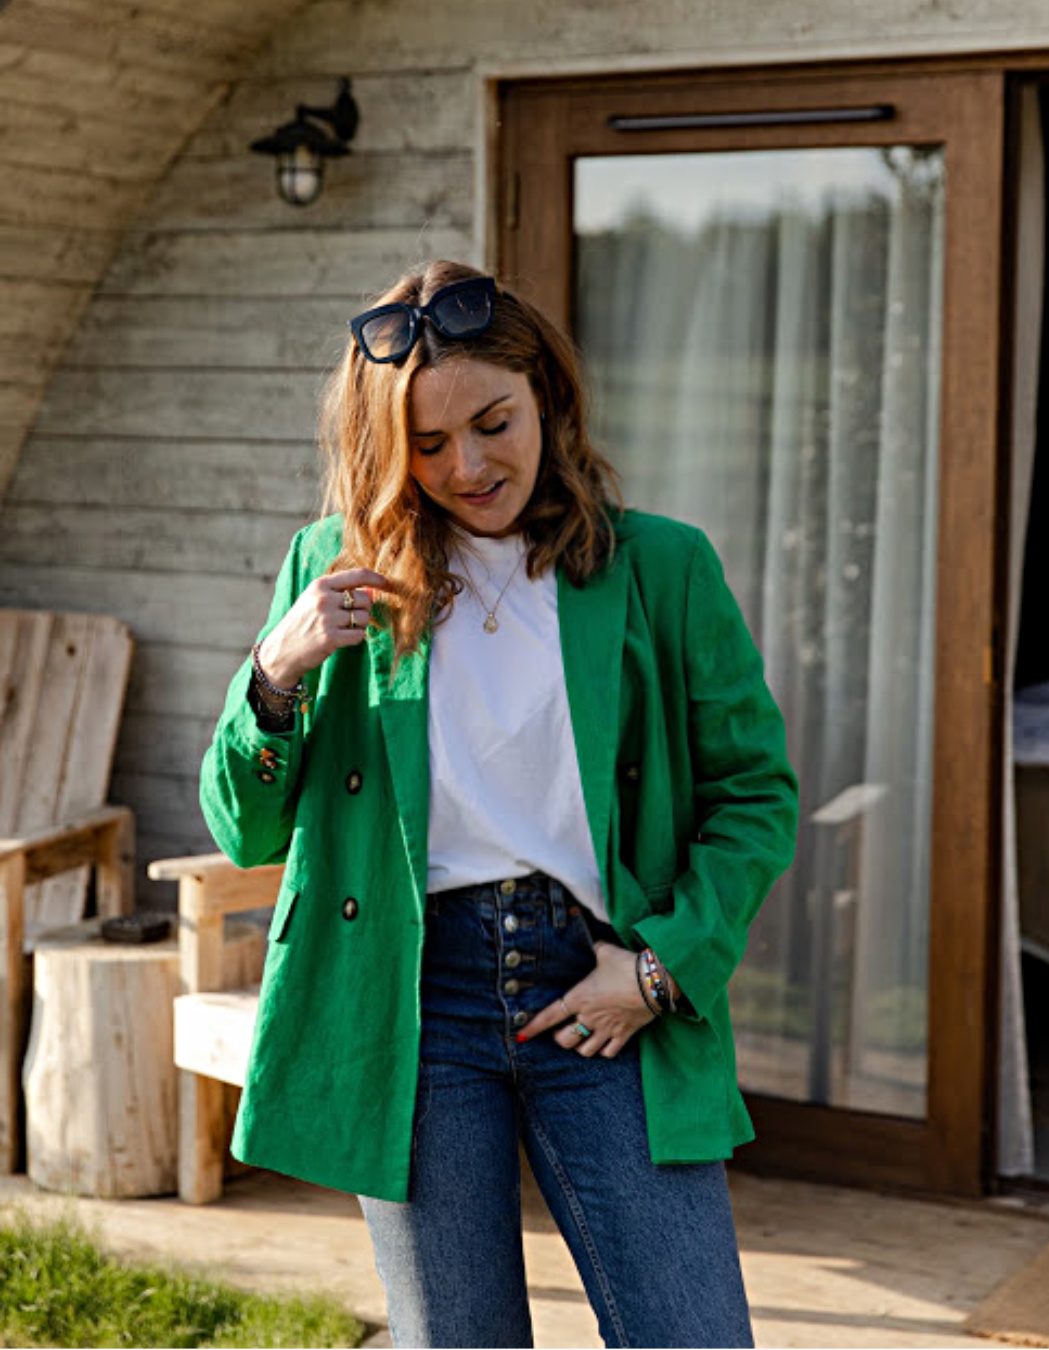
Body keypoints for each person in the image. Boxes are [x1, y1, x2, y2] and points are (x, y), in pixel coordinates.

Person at [199, 259, 799, 1349]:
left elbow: (756, 795)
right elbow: (244, 827)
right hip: (414, 1000)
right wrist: (276, 672)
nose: (468, 466)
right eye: (427, 445)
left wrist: (661, 969)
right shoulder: (335, 571)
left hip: (602, 983)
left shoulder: (659, 567)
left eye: (493, 423)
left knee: (691, 1333)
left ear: (548, 400)